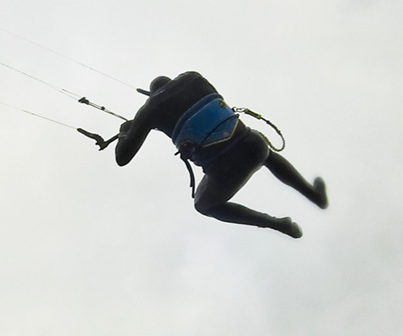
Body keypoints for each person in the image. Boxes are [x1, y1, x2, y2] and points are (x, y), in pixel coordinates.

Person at [114, 72, 328, 238]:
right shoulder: (193, 78)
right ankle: (314, 195)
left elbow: (122, 158)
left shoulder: (151, 108)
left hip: (224, 168)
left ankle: (276, 223)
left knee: (204, 205)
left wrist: (127, 130)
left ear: (151, 95)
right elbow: (196, 111)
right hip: (253, 146)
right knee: (265, 154)